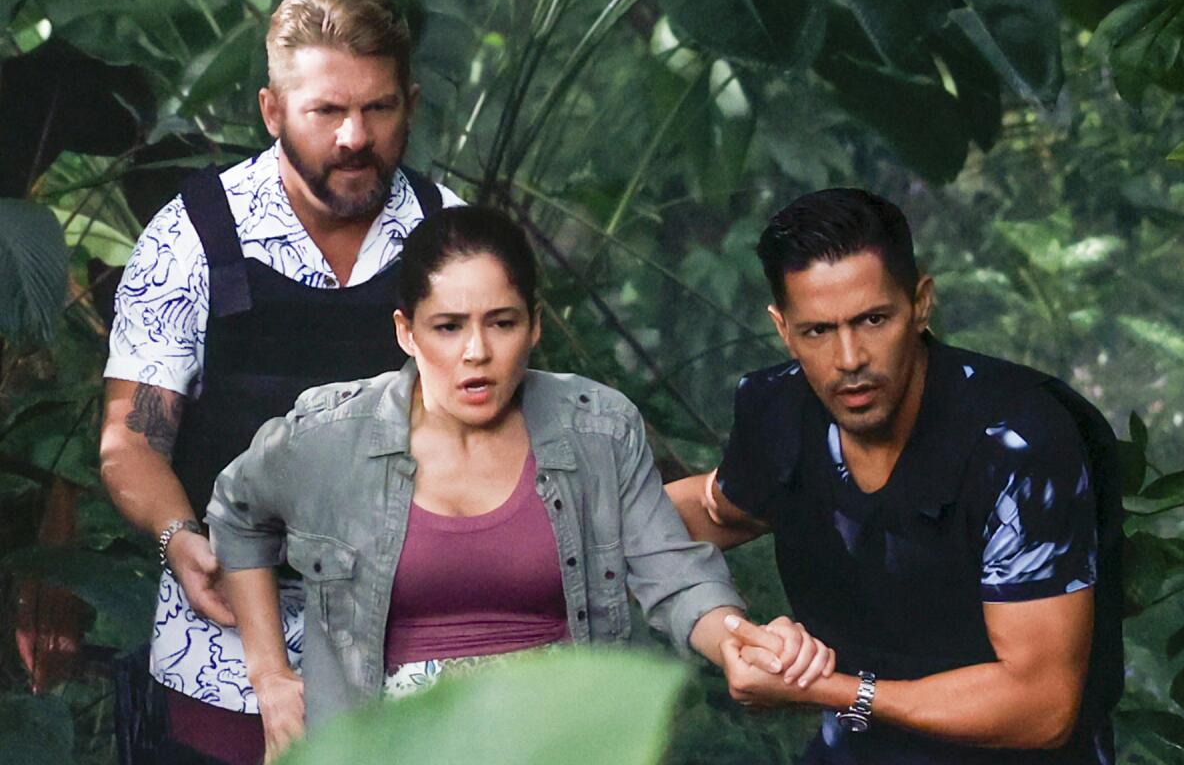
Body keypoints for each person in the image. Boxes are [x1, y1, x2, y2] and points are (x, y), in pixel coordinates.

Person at [205, 206, 836, 762]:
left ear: (534, 325)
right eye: (448, 326)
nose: (476, 351)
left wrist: (739, 642)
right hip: (387, 741)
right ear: (406, 331)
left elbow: (671, 572)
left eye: (501, 323)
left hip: (558, 737)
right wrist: (269, 674)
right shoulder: (330, 437)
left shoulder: (598, 428)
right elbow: (236, 514)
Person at [98, 0, 462, 763]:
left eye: (378, 108)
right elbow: (131, 441)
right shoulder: (191, 235)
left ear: (412, 102)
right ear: (272, 110)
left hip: (419, 653)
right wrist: (178, 536)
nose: (355, 137)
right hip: (223, 653)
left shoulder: (453, 237)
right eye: (326, 111)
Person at [667, 188, 1124, 764]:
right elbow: (714, 510)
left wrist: (828, 689)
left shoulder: (1017, 441)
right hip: (856, 747)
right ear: (783, 329)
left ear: (921, 303)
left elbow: (1041, 707)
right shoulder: (780, 408)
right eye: (817, 332)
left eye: (873, 319)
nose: (850, 357)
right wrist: (556, 521)